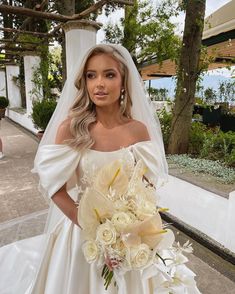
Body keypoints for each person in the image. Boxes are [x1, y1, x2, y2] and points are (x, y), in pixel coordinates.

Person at [0, 44, 200, 294]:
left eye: (109, 74)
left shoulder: (138, 130)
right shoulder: (71, 129)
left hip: (130, 237)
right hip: (81, 238)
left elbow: (145, 187)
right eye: (91, 75)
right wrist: (99, 233)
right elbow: (57, 190)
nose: (99, 84)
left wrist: (132, 231)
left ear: (124, 81)